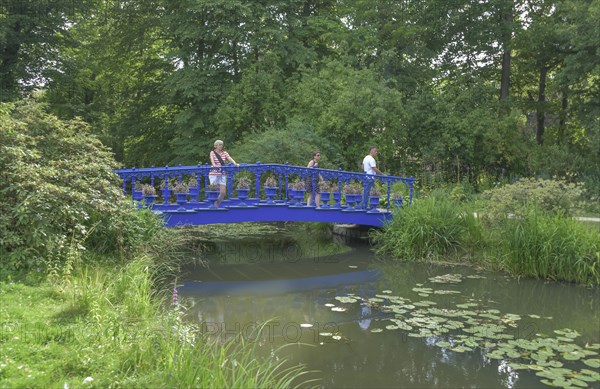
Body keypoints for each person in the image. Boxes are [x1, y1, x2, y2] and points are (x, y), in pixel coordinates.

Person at [209, 139, 239, 208]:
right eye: (219, 144)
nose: (221, 146)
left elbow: (229, 158)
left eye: (221, 144)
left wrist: (235, 163)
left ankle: (217, 204)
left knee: (223, 192)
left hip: (222, 173)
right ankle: (212, 205)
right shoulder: (212, 152)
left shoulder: (225, 153)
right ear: (215, 146)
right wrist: (214, 165)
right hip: (214, 173)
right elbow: (212, 160)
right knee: (214, 190)